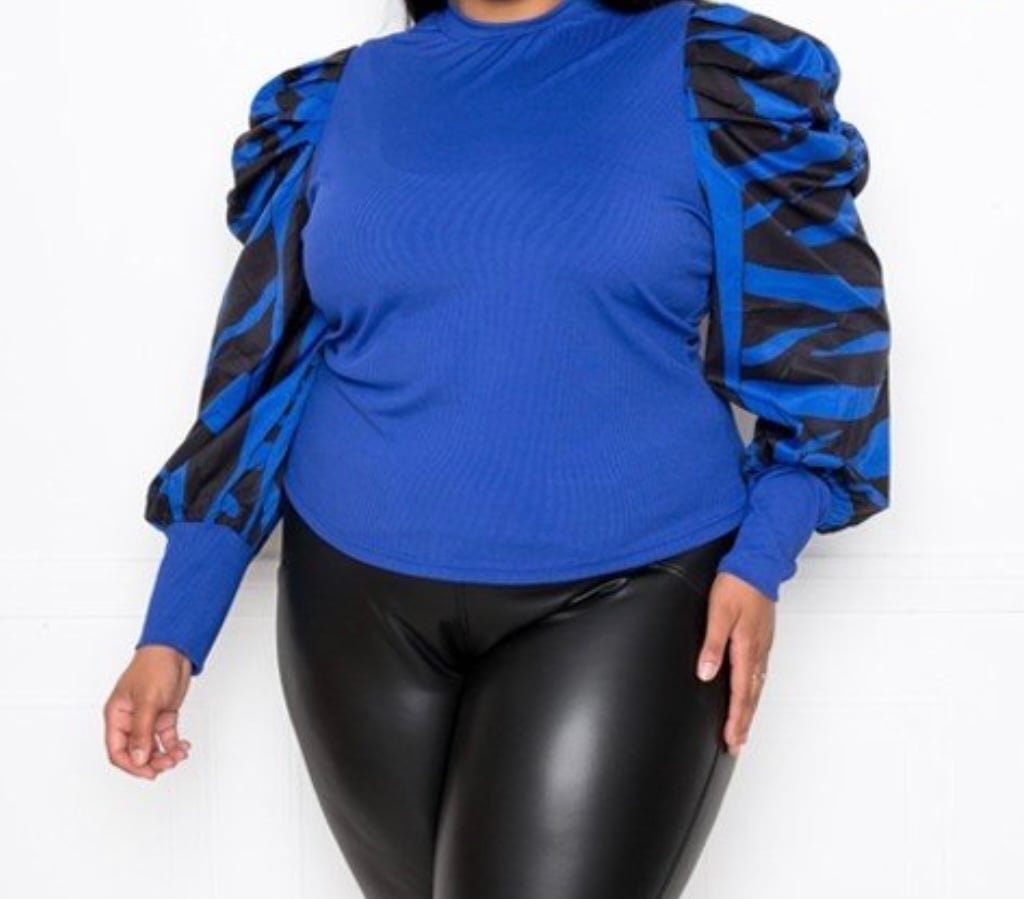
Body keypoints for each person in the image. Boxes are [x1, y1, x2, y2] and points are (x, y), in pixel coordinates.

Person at [103, 0, 890, 895]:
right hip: (353, 607)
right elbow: (259, 372)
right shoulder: (340, 99)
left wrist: (762, 554)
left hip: (628, 592)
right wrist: (174, 630)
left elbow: (826, 350)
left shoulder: (711, 75)